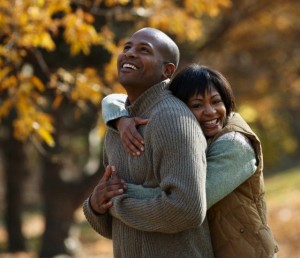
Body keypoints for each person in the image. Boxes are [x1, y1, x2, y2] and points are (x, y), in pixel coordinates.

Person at [102, 64, 279, 258]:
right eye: (197, 105)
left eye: (216, 101)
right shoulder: (196, 137)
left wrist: (116, 195)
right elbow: (115, 99)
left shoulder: (235, 144)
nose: (210, 111)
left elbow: (186, 200)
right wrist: (121, 119)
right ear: (181, 110)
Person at [83, 28, 214, 258]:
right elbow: (115, 228)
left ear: (167, 70)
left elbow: (188, 209)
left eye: (144, 50)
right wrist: (95, 204)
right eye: (127, 47)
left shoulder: (172, 119)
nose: (130, 53)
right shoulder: (116, 126)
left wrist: (118, 204)